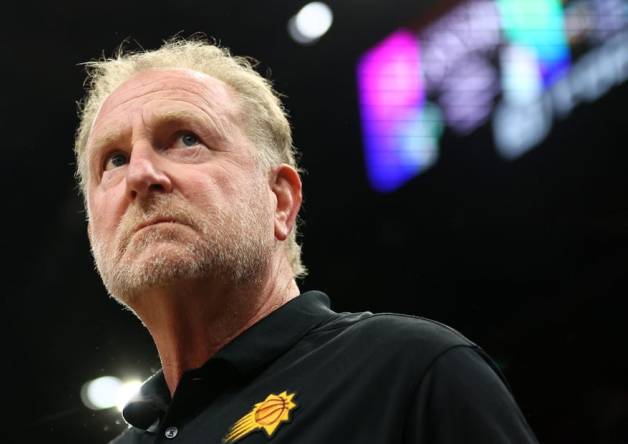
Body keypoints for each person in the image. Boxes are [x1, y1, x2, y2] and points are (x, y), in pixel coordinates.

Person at [73, 38, 539, 443]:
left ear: (280, 199)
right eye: (113, 160)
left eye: (185, 138)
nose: (139, 174)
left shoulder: (409, 372)